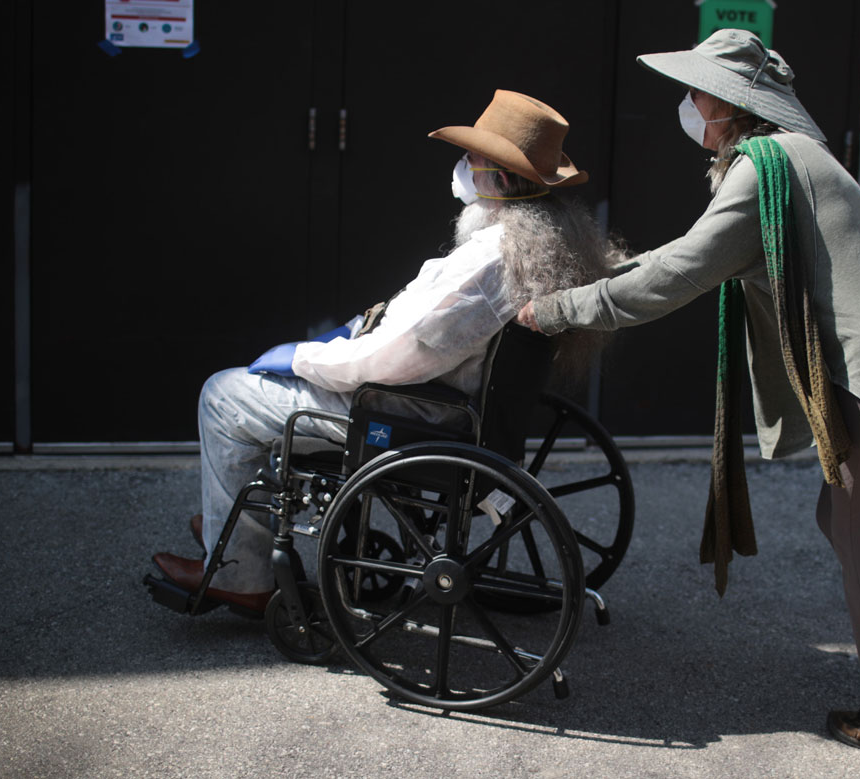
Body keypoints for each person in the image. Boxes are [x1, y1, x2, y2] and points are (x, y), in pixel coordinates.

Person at [516, 29, 860, 765]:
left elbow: (677, 275)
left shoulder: (761, 170)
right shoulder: (788, 158)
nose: (689, 106)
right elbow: (693, 252)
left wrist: (556, 310)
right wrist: (601, 273)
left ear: (727, 103)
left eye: (696, 94)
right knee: (851, 521)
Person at [152, 89, 622, 615]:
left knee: (225, 395)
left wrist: (302, 359)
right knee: (266, 389)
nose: (461, 168)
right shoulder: (541, 243)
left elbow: (395, 360)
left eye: (470, 159)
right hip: (450, 406)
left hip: (413, 410)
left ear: (499, 176)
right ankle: (236, 524)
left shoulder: (489, 261)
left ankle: (242, 575)